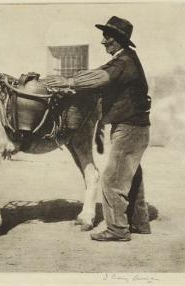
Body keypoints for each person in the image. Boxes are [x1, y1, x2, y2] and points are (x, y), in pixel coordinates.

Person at [43, 16, 151, 241]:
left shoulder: (123, 62)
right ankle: (139, 223)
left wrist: (68, 82)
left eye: (108, 38)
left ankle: (117, 230)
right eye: (104, 37)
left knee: (112, 179)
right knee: (131, 177)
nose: (104, 42)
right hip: (133, 127)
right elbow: (96, 72)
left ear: (119, 40)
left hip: (130, 128)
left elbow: (99, 78)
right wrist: (71, 79)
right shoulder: (122, 59)